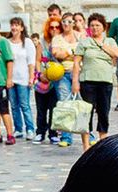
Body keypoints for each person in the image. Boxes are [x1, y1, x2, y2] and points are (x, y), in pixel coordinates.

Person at [72, 12, 118, 151]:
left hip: (105, 81)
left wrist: (102, 45)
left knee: (103, 112)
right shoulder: (84, 42)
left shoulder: (110, 41)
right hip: (88, 81)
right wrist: (75, 81)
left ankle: (102, 142)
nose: (95, 28)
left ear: (104, 27)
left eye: (98, 25)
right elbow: (76, 63)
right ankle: (86, 145)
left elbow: (116, 54)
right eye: (92, 25)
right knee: (86, 113)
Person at [51, 13, 79, 146]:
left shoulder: (80, 36)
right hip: (63, 73)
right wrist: (72, 52)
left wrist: (67, 52)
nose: (66, 24)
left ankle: (88, 133)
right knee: (64, 103)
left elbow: (83, 54)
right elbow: (57, 54)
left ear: (73, 23)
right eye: (64, 22)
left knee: (81, 103)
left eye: (69, 22)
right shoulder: (57, 38)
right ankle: (66, 137)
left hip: (78, 73)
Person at [8, 17, 36, 141]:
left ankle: (30, 128)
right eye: (12, 25)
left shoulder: (27, 42)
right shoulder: (7, 42)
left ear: (21, 28)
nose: (14, 28)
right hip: (11, 78)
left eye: (17, 25)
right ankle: (18, 128)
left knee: (25, 105)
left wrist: (31, 77)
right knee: (14, 106)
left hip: (23, 78)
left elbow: (31, 61)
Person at [34, 17, 61, 145]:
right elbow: (38, 60)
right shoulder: (42, 42)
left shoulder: (61, 41)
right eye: (52, 27)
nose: (54, 29)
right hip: (42, 80)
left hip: (56, 80)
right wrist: (39, 74)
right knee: (41, 109)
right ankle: (40, 132)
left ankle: (53, 133)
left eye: (57, 27)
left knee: (54, 108)